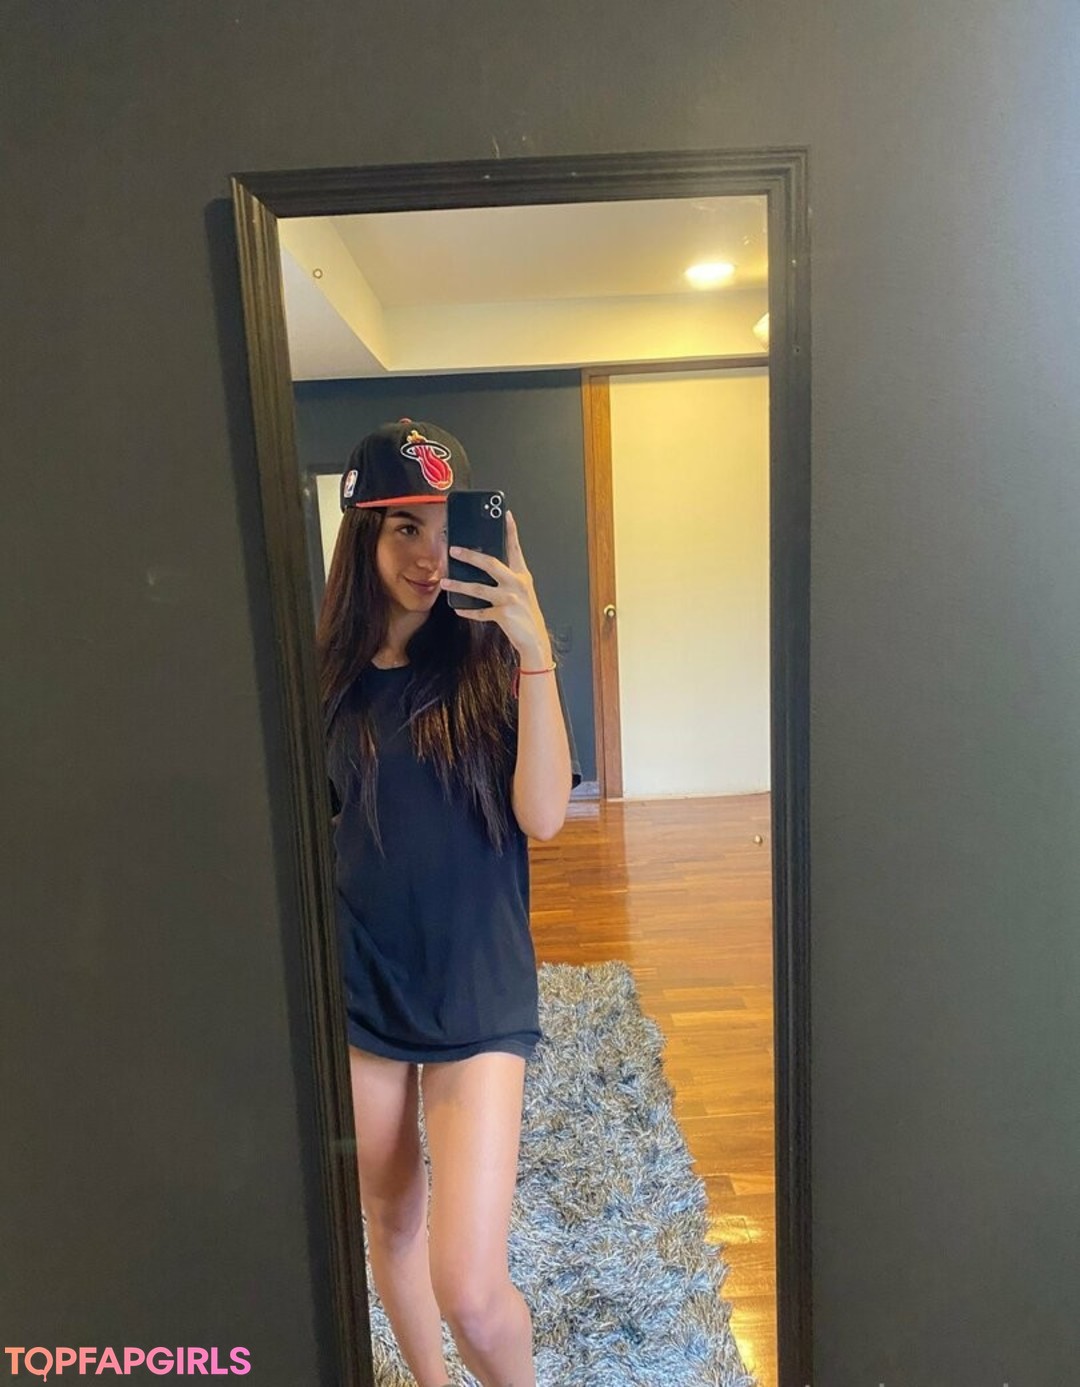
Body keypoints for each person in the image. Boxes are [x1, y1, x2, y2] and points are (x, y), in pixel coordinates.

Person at [316, 419, 580, 1387]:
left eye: (443, 527)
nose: (429, 555)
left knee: (468, 1284)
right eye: (403, 529)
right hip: (363, 982)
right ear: (364, 537)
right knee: (390, 1217)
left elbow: (543, 816)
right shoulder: (324, 678)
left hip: (476, 984)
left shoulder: (491, 664)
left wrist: (534, 647)